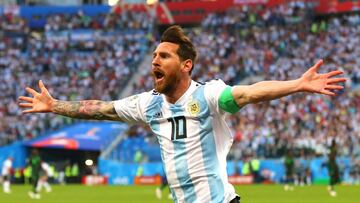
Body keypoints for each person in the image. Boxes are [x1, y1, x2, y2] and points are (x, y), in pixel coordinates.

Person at [19, 25, 346, 203]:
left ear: (186, 65)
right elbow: (99, 109)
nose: (154, 61)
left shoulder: (209, 95)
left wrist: (298, 85)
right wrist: (54, 105)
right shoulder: (148, 104)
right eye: (154, 55)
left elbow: (249, 92)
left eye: (164, 56)